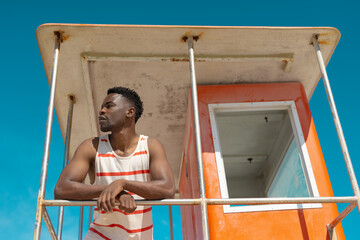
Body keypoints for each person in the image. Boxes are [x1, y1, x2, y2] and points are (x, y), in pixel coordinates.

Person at [54, 86, 175, 239]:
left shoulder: (150, 146)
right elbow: (62, 188)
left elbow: (167, 189)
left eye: (109, 106)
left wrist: (123, 184)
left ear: (130, 112)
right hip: (100, 234)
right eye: (102, 107)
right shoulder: (92, 147)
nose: (102, 111)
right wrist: (116, 193)